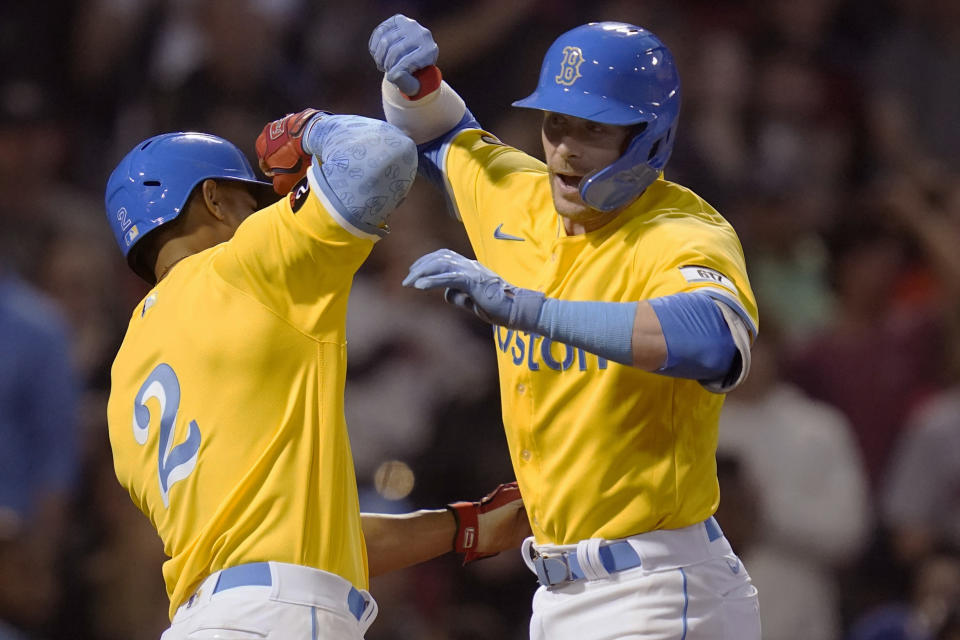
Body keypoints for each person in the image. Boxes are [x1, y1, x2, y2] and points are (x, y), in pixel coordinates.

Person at [366, 15, 762, 640]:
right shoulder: (522, 198)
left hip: (658, 587)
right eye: (556, 124)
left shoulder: (684, 232)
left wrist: (532, 311)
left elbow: (715, 341)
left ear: (649, 139)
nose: (565, 150)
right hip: (555, 594)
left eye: (593, 130)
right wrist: (410, 84)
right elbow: (440, 130)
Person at [103, 110, 529, 639]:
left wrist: (460, 528)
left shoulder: (125, 377)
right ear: (212, 198)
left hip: (209, 619)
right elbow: (382, 155)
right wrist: (310, 129)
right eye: (251, 199)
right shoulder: (243, 264)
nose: (265, 209)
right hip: (279, 617)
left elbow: (303, 545)